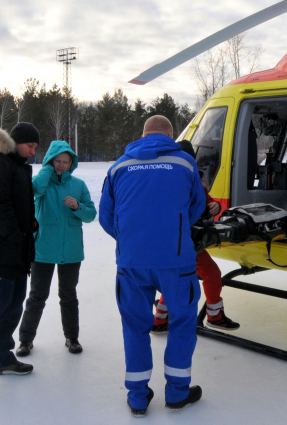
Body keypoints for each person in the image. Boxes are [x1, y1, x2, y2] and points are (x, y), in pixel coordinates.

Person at [99, 116, 206, 417]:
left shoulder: (119, 166)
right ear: (170, 135)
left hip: (131, 263)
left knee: (134, 326)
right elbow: (196, 205)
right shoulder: (184, 163)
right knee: (182, 324)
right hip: (177, 262)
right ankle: (177, 393)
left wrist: (131, 240)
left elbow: (106, 216)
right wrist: (176, 229)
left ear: (143, 134)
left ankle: (137, 397)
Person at [16, 141, 97, 357]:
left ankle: (72, 338)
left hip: (71, 251)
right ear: (50, 162)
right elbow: (33, 190)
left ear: (72, 163)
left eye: (65, 162)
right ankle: (25, 340)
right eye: (57, 161)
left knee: (68, 295)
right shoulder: (42, 183)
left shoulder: (78, 185)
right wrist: (46, 170)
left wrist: (77, 207)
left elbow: (91, 214)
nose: (61, 165)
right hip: (43, 250)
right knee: (37, 296)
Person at [152, 140, 240, 334]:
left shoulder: (195, 179)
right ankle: (215, 316)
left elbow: (207, 201)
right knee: (210, 274)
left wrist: (215, 205)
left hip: (187, 238)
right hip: (182, 241)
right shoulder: (171, 181)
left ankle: (159, 319)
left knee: (175, 276)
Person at [0, 123, 39, 398]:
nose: (34, 151)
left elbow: (15, 204)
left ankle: (3, 358)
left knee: (13, 308)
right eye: (31, 146)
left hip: (15, 253)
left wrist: (30, 223)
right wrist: (15, 235)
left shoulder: (15, 165)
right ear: (16, 142)